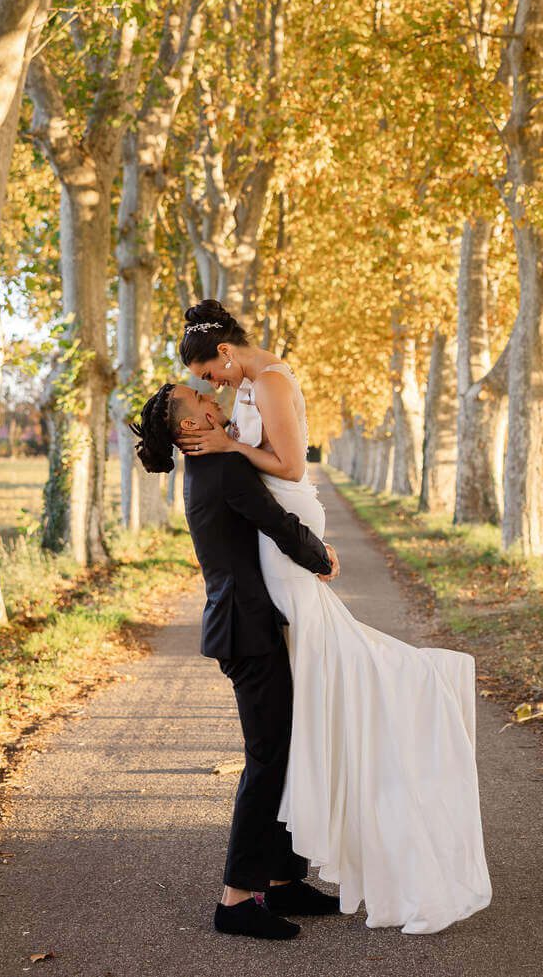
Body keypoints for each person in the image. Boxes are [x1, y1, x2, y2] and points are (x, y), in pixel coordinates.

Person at [176, 299, 493, 935]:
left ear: (226, 353)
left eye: (208, 375)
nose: (210, 388)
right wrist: (233, 447)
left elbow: (292, 466)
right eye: (202, 387)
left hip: (285, 545)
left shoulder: (266, 383)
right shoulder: (243, 398)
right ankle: (274, 882)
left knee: (306, 710)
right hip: (273, 564)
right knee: (296, 724)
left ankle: (276, 880)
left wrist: (232, 446)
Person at [130, 383, 343, 941]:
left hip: (248, 623)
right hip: (244, 630)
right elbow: (273, 520)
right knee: (266, 758)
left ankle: (283, 880)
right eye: (202, 401)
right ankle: (236, 899)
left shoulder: (210, 465)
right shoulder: (221, 468)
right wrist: (320, 557)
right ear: (189, 426)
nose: (214, 401)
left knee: (284, 748)